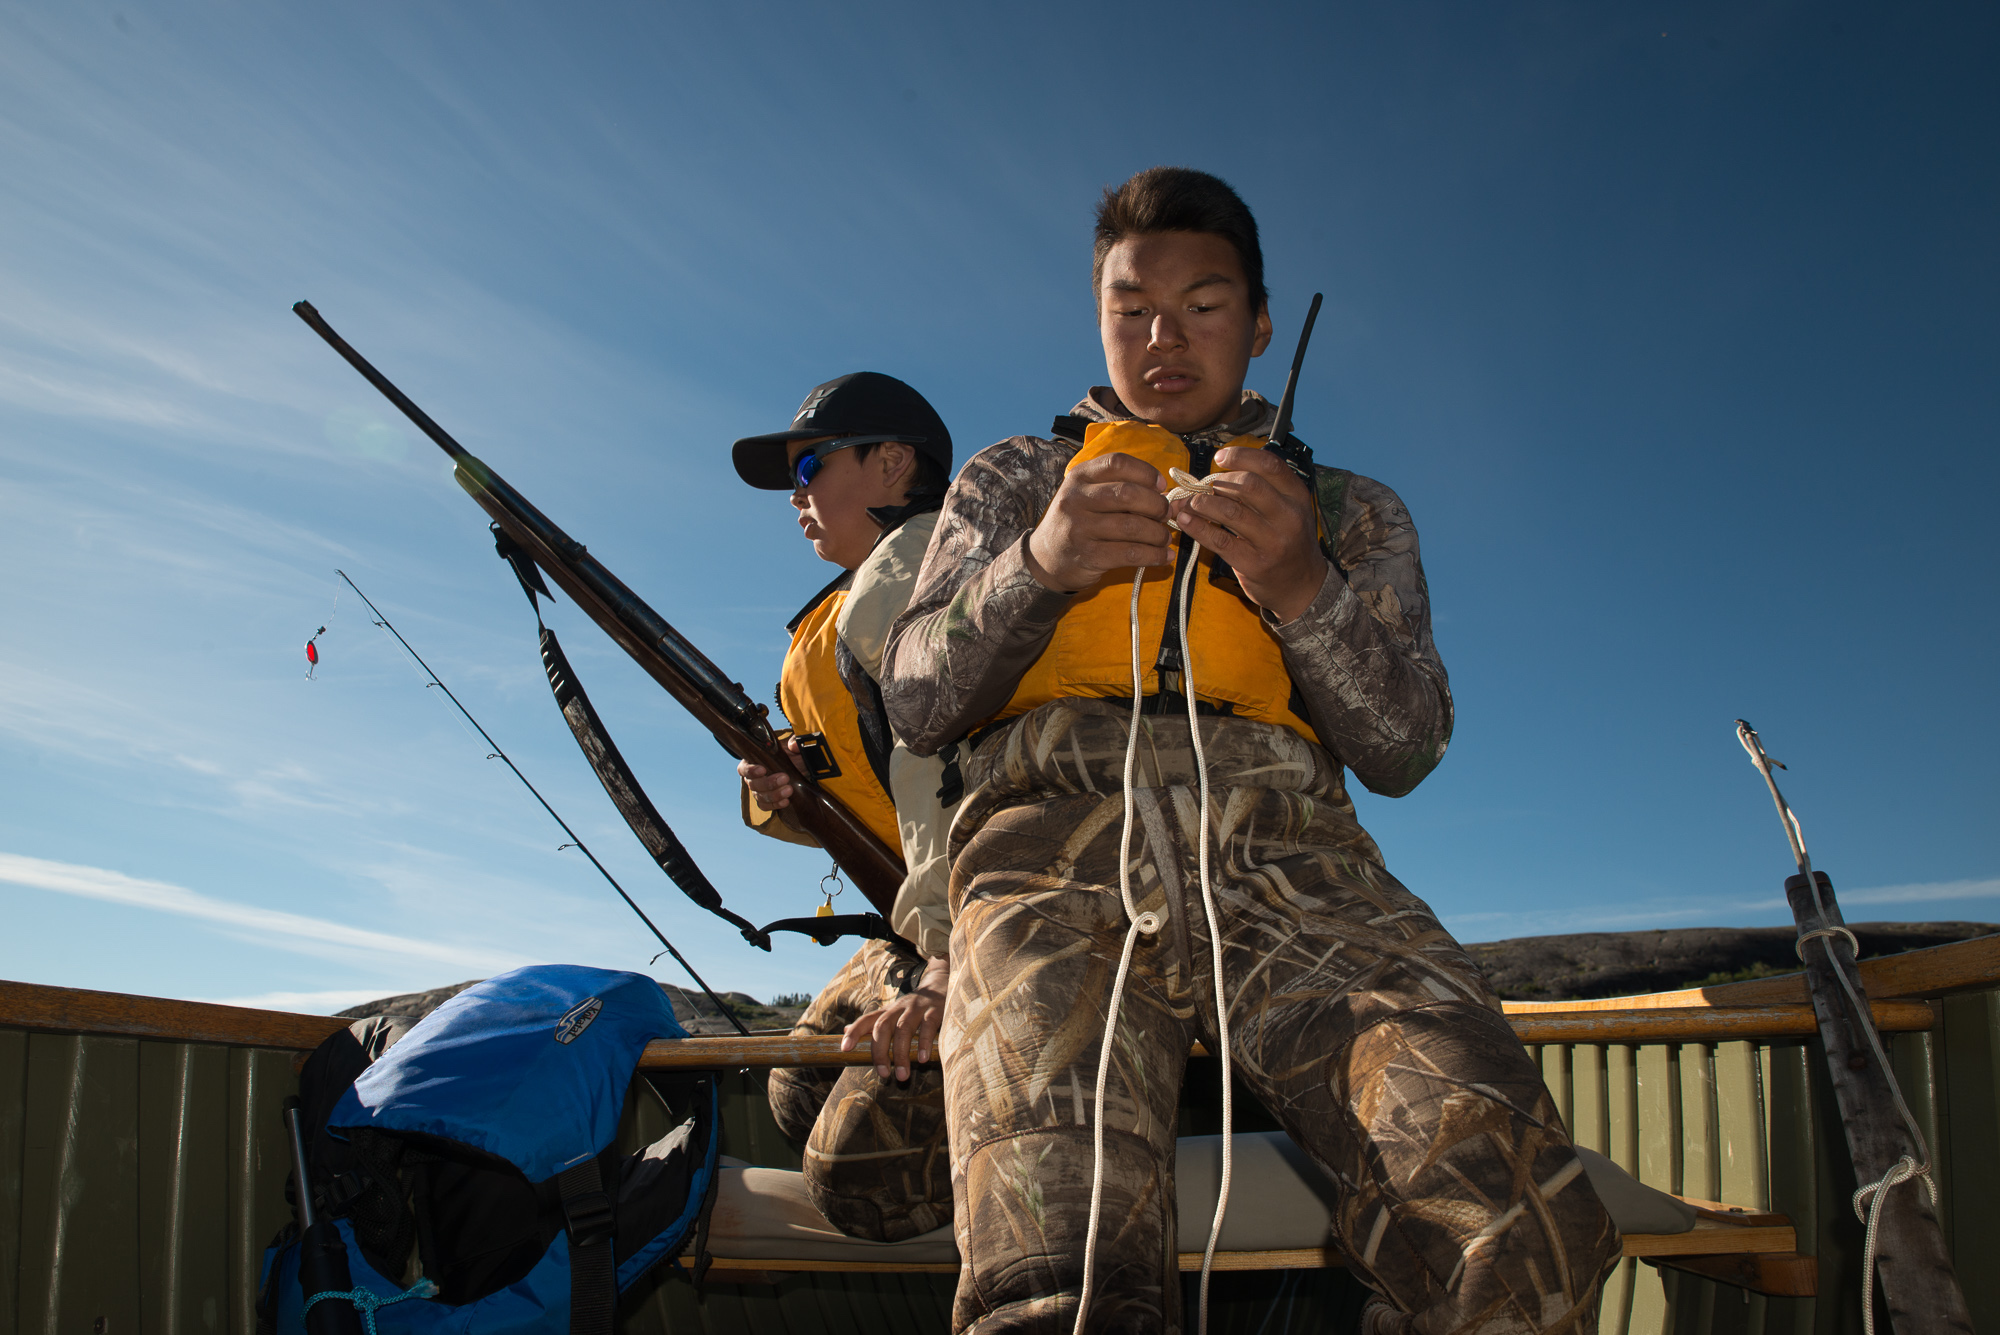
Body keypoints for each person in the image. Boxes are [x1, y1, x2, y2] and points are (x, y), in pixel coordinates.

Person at [882, 168, 1620, 1333]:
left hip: (1297, 872)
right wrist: (1038, 566)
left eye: (1202, 304)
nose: (1162, 338)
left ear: (1261, 325)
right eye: (1130, 308)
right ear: (1097, 321)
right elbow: (915, 701)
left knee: (1512, 1227)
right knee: (1053, 1285)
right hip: (1044, 873)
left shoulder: (1350, 510)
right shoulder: (1015, 478)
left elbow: (1406, 746)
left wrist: (1299, 583)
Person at [729, 371, 958, 1243]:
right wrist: (784, 791)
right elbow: (857, 794)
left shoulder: (933, 576)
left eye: (810, 467)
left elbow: (959, 781)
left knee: (854, 1178)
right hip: (912, 913)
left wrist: (948, 969)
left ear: (893, 463)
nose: (796, 496)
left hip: (984, 915)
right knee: (795, 1088)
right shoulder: (826, 625)